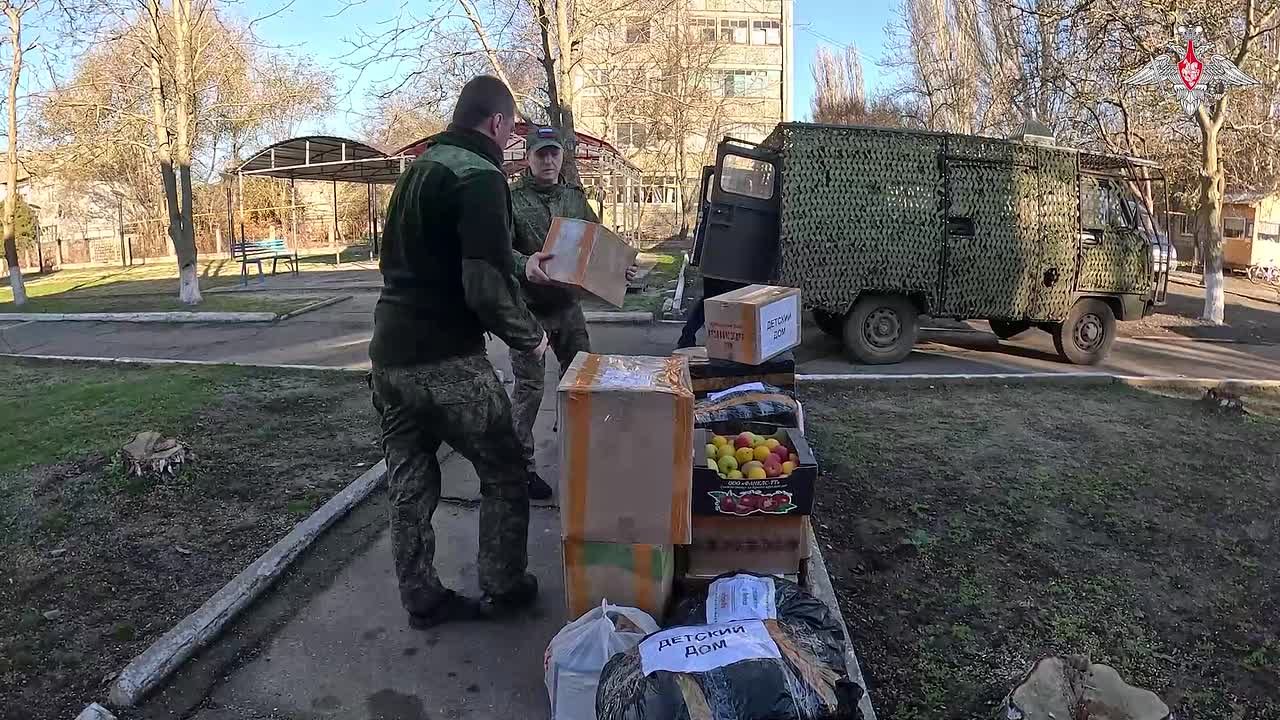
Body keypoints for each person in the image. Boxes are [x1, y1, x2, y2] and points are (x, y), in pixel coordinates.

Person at [368, 75, 553, 629]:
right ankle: (503, 584)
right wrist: (530, 336)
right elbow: (484, 283)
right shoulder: (480, 176)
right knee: (505, 467)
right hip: (444, 356)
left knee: (411, 478)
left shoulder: (422, 167)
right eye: (511, 130)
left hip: (389, 357)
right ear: (497, 123)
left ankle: (421, 595)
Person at [508, 126, 637, 499]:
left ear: (562, 157)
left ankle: (582, 454)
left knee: (583, 380)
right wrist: (523, 263)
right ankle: (522, 468)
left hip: (567, 308)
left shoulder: (574, 198)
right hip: (528, 309)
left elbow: (598, 242)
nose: (548, 161)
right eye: (540, 154)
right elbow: (498, 250)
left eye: (554, 154)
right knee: (529, 389)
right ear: (528, 157)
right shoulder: (511, 199)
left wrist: (620, 268)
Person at [676, 275, 747, 349]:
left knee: (708, 301)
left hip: (712, 270)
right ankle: (733, 343)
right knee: (738, 301)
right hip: (739, 272)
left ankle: (687, 336)